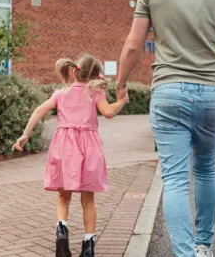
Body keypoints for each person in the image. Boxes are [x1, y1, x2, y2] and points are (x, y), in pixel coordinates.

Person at [115, 0, 215, 256]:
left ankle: (185, 254)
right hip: (212, 91)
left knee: (174, 180)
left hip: (168, 91)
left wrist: (121, 82)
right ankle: (203, 246)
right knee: (207, 169)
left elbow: (133, 44)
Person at [12, 55, 129, 257]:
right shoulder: (95, 93)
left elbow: (39, 110)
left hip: (64, 148)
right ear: (95, 76)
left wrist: (25, 134)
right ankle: (88, 245)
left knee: (63, 196)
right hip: (88, 148)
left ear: (75, 71)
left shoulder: (61, 93)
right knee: (88, 199)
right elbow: (108, 113)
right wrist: (122, 101)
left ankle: (61, 234)